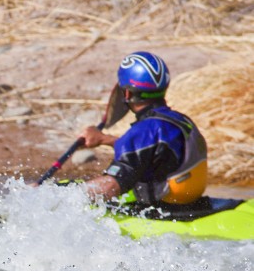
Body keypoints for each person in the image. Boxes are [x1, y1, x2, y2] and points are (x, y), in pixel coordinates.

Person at [79, 51, 208, 206]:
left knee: (73, 187)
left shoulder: (145, 130)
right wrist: (104, 139)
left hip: (164, 209)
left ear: (126, 93)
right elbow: (153, 151)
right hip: (189, 202)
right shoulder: (178, 120)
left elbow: (111, 186)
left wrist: (65, 198)